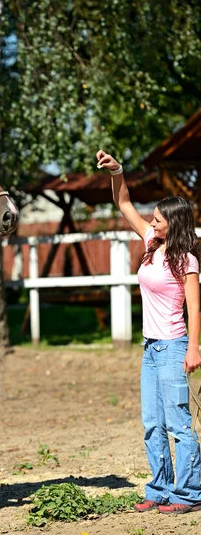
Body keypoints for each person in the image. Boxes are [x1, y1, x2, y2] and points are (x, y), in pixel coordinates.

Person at [97, 149, 201, 514]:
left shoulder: (186, 259)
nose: (151, 223)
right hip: (150, 348)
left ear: (174, 223)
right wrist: (117, 171)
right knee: (152, 423)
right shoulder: (150, 244)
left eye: (157, 220)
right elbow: (123, 202)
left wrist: (194, 349)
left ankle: (188, 493)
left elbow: (195, 307)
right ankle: (158, 489)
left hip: (174, 346)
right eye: (152, 219)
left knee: (178, 423)